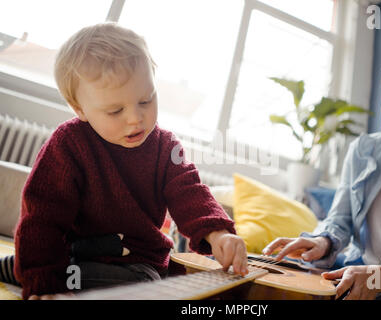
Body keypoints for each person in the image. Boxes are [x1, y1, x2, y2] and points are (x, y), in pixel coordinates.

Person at [6, 22, 248, 300]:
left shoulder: (166, 147)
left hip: (138, 265)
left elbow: (189, 192)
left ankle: (20, 270)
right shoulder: (67, 143)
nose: (135, 118)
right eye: (115, 110)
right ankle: (24, 270)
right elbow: (42, 218)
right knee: (41, 265)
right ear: (79, 108)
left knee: (146, 286)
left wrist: (218, 234)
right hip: (73, 258)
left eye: (146, 101)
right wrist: (43, 283)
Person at [263, 55, 381, 300]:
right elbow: (340, 218)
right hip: (354, 272)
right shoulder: (363, 151)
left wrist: (377, 278)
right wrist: (322, 242)